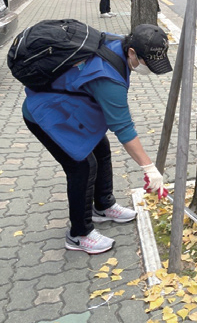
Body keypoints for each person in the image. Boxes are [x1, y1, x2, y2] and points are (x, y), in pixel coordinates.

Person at [22, 24, 173, 254]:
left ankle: (103, 205)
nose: (148, 69)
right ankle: (79, 234)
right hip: (45, 112)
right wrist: (149, 168)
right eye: (146, 62)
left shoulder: (116, 43)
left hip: (66, 105)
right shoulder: (108, 77)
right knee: (82, 166)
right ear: (132, 52)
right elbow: (123, 128)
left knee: (100, 148)